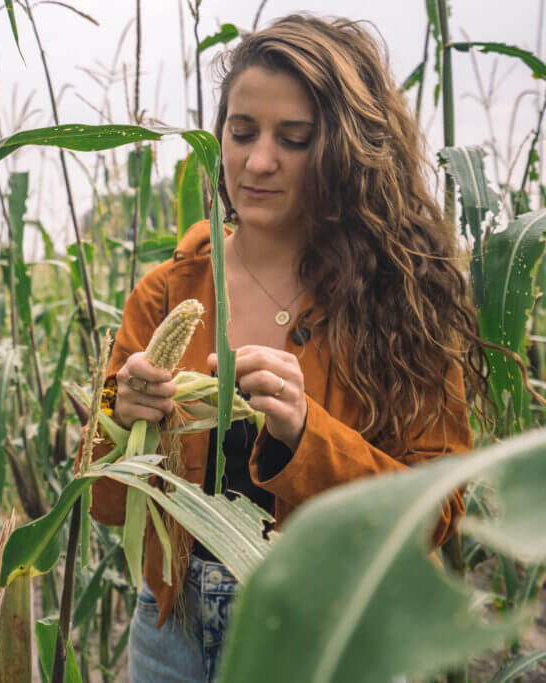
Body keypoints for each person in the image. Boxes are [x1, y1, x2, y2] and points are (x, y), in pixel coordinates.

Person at [85, 15, 490, 683]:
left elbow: (435, 512)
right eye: (242, 133)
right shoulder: (168, 291)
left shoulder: (402, 300)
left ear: (343, 151)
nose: (258, 160)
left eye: (293, 139)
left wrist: (306, 435)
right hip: (170, 638)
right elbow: (103, 504)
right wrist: (122, 419)